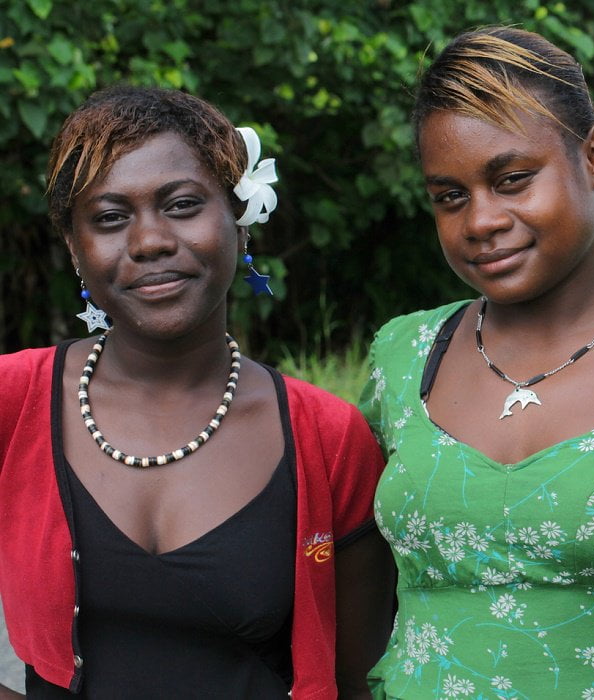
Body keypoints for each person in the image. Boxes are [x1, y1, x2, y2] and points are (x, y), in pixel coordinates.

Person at [359, 27, 594, 698]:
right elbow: (339, 575)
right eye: (451, 196)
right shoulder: (401, 356)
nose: (481, 221)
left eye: (512, 180)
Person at [0, 86, 392, 698]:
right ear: (76, 248)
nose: (149, 240)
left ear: (238, 220)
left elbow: (355, 677)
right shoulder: (13, 399)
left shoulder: (329, 439)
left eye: (182, 205)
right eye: (109, 218)